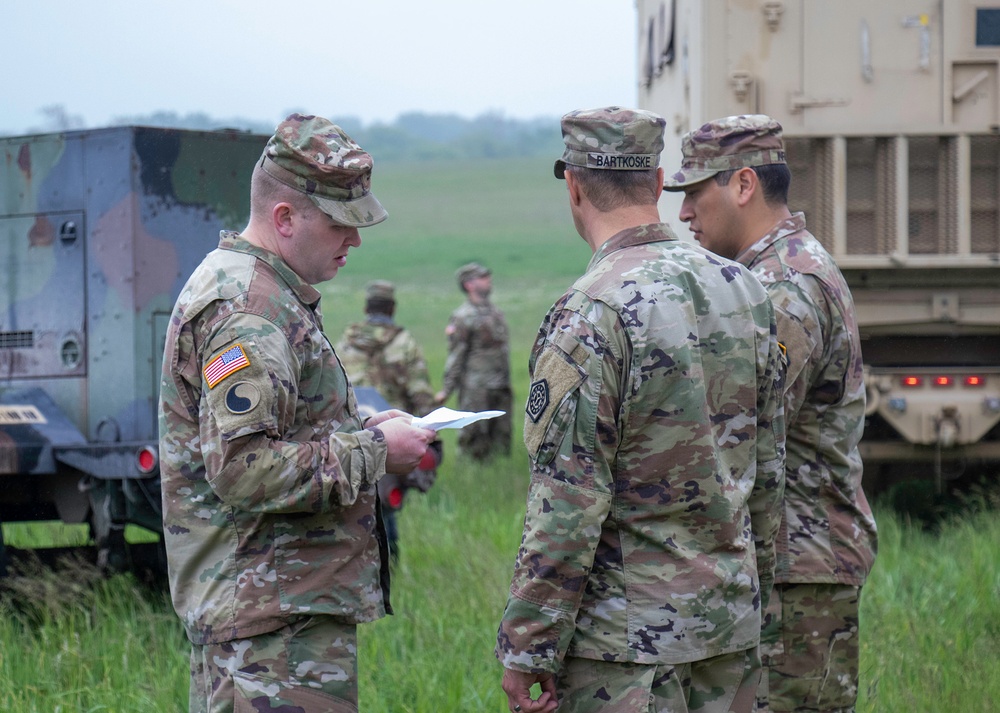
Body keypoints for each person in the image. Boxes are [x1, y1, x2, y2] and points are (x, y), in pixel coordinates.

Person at [496, 106, 786, 713]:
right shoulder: (745, 289)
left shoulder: (589, 314)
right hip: (729, 629)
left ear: (573, 188)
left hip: (626, 649)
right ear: (657, 185)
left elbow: (567, 501)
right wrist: (758, 600)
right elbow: (767, 466)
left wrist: (529, 646)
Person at [158, 113, 435, 713]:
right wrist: (377, 452)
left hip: (273, 616)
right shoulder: (250, 311)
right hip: (269, 632)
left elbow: (284, 432)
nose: (354, 240)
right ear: (285, 219)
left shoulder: (263, 290)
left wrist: (363, 431)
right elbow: (243, 469)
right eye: (340, 224)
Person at [664, 114, 878, 713]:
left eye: (694, 192)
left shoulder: (784, 286)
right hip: (791, 559)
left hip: (797, 566)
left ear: (743, 185)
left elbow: (742, 424)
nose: (684, 215)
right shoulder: (773, 274)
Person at [336, 279, 441, 561]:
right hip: (394, 436)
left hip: (352, 434)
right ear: (392, 308)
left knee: (357, 498)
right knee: (387, 501)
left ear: (366, 307)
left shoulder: (347, 342)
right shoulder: (403, 343)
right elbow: (420, 393)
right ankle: (388, 559)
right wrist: (434, 436)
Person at [434, 262, 512, 460]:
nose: (489, 280)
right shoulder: (463, 317)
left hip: (501, 386)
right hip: (476, 388)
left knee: (501, 441)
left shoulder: (495, 312)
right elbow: (456, 356)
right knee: (473, 441)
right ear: (469, 284)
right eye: (483, 277)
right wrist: (447, 389)